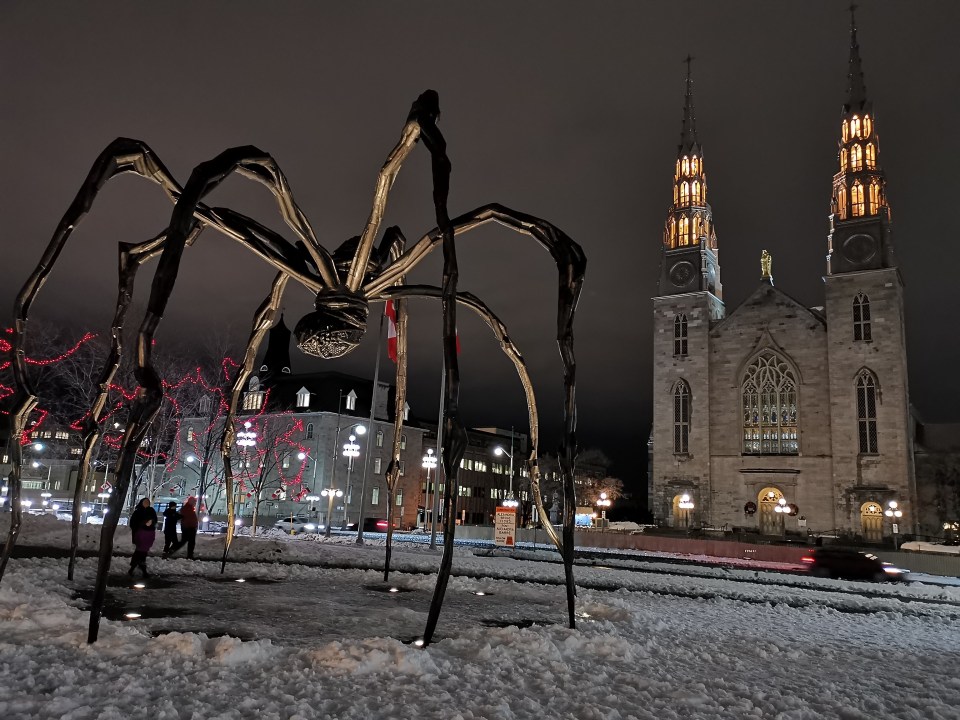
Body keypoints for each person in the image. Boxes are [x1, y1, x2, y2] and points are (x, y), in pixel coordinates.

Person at [128, 498, 158, 577]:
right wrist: (143, 524)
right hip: (140, 534)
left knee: (140, 552)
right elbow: (133, 523)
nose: (146, 503)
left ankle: (133, 567)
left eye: (148, 502)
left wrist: (152, 523)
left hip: (149, 534)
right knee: (141, 552)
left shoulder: (151, 510)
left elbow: (155, 519)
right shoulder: (138, 512)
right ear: (141, 503)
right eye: (145, 502)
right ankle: (141, 569)